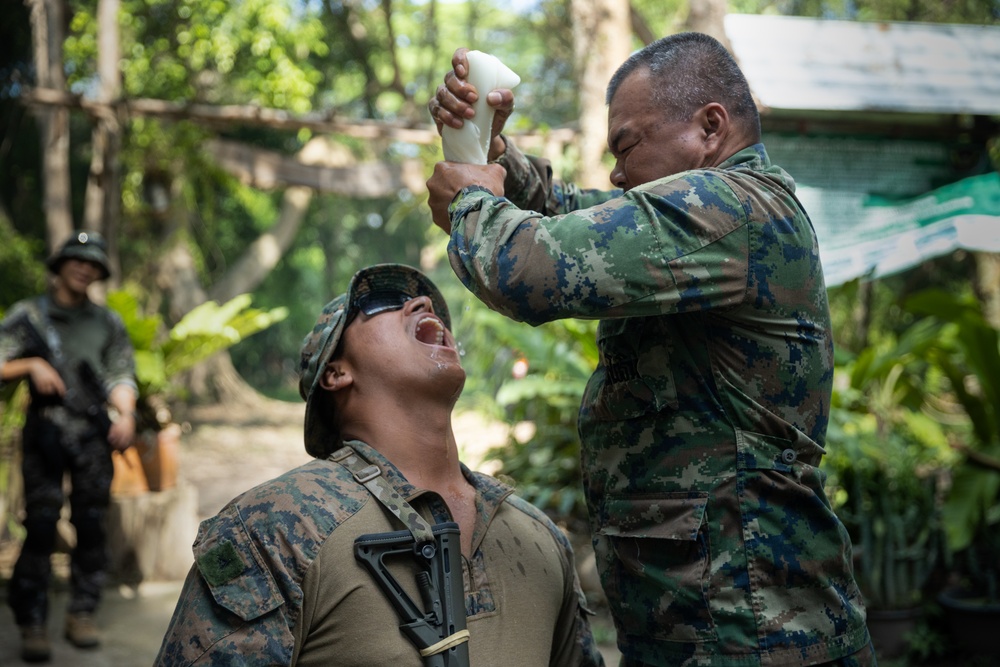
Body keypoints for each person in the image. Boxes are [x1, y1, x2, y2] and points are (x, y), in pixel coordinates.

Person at [425, 34, 874, 667]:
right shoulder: (717, 214)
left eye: (627, 144)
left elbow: (529, 267)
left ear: (710, 127)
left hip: (756, 635)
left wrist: (471, 199)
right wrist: (497, 157)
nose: (614, 170)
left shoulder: (730, 209)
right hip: (719, 626)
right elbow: (578, 216)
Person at [155, 263, 604, 667]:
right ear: (335, 372)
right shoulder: (274, 527)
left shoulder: (539, 536)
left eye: (430, 307)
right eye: (383, 303)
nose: (426, 304)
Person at [0, 231, 138, 662]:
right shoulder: (30, 315)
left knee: (92, 525)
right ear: (59, 264)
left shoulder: (107, 322)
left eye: (94, 265)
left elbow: (120, 375)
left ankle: (82, 612)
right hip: (45, 432)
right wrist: (32, 365)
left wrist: (126, 416)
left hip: (92, 437)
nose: (85, 269)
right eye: (78, 260)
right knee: (40, 526)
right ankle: (32, 620)